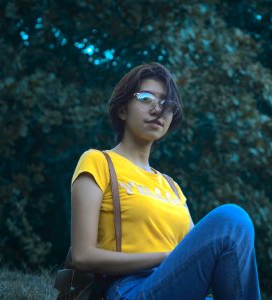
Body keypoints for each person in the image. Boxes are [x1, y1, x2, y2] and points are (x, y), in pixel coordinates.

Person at [70, 62, 262, 300]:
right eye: (146, 98)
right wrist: (164, 257)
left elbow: (198, 256)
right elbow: (83, 256)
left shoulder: (172, 186)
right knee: (232, 218)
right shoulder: (98, 162)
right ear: (122, 110)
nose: (157, 109)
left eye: (167, 103)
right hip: (129, 289)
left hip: (180, 288)